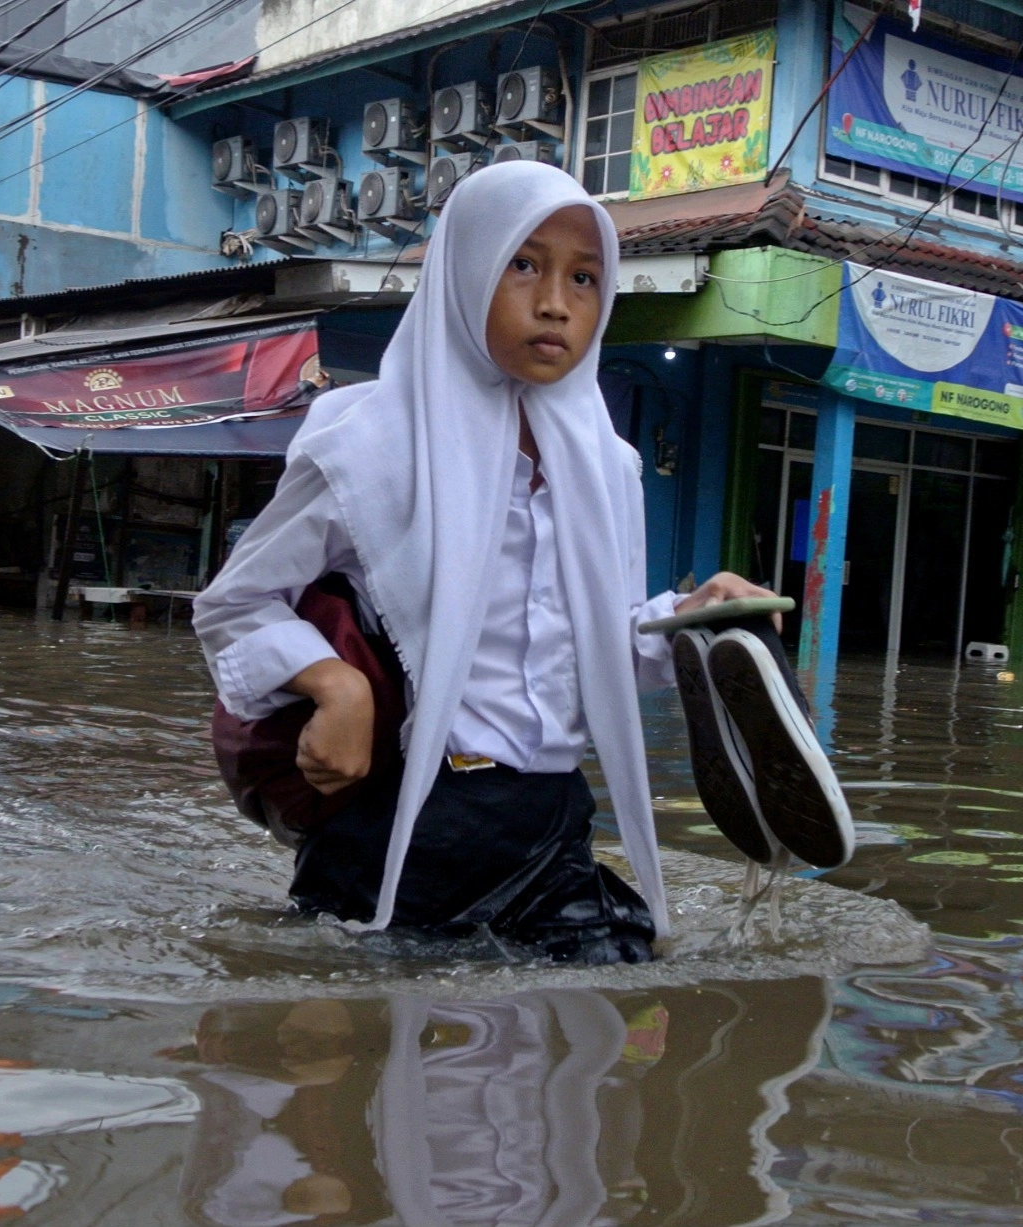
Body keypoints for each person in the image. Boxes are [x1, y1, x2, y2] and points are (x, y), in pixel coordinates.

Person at [193, 161, 777, 965]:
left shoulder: (607, 466)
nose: (555, 302)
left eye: (584, 277)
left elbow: (595, 648)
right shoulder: (366, 446)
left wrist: (688, 621)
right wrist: (336, 684)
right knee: (367, 1034)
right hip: (399, 819)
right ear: (465, 269)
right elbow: (234, 604)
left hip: (547, 823)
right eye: (524, 264)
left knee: (601, 992)